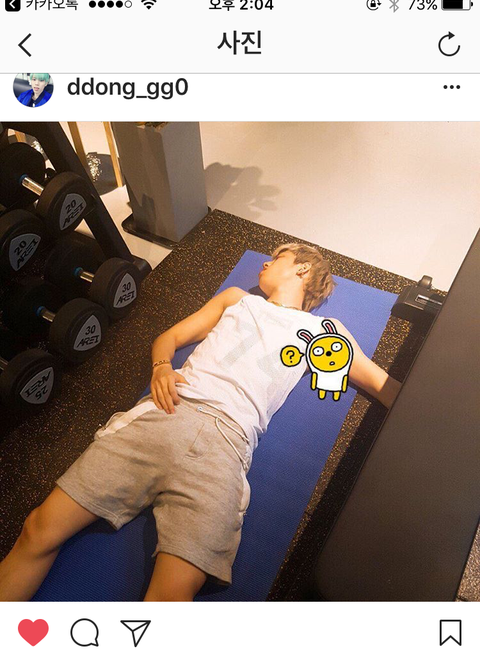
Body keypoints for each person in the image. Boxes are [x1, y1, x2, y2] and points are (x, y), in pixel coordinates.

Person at [0, 244, 402, 603]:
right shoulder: (237, 300)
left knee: (171, 596)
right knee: (38, 530)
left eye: (277, 257)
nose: (264, 263)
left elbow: (385, 387)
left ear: (302, 269)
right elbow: (169, 338)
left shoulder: (323, 333)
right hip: (167, 413)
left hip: (226, 447)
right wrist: (161, 367)